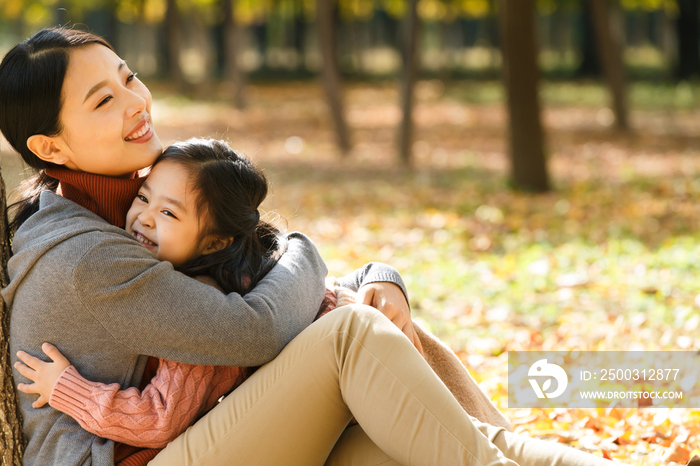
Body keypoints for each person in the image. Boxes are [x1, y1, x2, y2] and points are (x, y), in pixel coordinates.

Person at [0, 27, 617, 465]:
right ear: (51, 148)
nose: (137, 102)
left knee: (408, 441)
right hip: (136, 457)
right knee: (349, 337)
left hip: (198, 433)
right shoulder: (87, 256)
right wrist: (305, 248)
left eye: (128, 77)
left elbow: (236, 271)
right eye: (104, 100)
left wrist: (375, 274)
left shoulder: (127, 201)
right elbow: (253, 328)